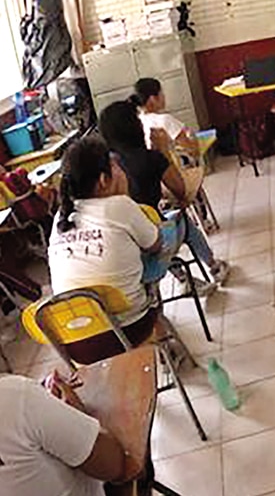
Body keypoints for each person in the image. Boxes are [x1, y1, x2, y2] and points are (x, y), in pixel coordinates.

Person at [46, 137, 168, 363]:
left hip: (76, 343)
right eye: (115, 166)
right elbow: (156, 244)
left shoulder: (60, 218)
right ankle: (165, 348)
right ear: (104, 180)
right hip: (128, 331)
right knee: (155, 269)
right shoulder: (120, 206)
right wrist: (124, 196)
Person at [98, 101, 228, 294]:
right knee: (178, 219)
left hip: (121, 253)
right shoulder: (150, 159)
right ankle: (213, 266)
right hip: (150, 249)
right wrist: (163, 151)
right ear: (134, 127)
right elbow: (181, 190)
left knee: (156, 224)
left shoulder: (106, 168)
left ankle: (183, 277)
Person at [0, 372, 143, 496]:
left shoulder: (16, 397)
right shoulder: (14, 396)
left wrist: (47, 406)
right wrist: (77, 412)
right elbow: (114, 467)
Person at [130, 78, 199, 159]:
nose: (164, 96)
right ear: (153, 98)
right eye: (161, 93)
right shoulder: (164, 120)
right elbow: (191, 150)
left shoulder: (138, 121)